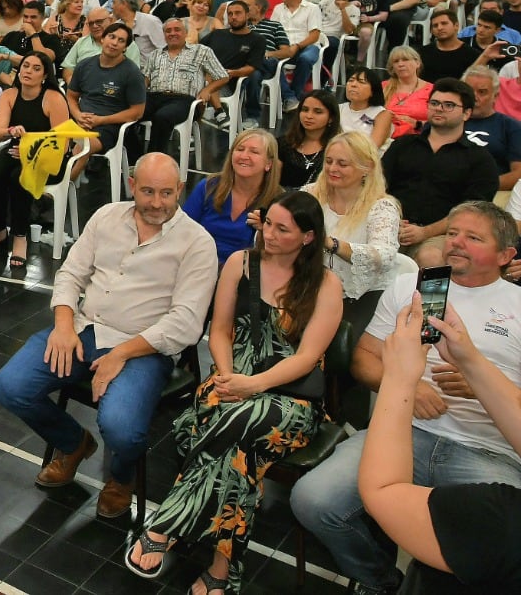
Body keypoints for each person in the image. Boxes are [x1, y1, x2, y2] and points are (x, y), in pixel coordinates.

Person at [291, 200, 521, 595]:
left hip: (487, 452)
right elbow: (364, 360)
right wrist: (408, 387)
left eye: (473, 237)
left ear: (506, 255)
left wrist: (487, 385)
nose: (456, 243)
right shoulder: (419, 285)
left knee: (490, 553)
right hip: (402, 433)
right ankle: (381, 580)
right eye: (451, 233)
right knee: (312, 501)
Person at [125, 191, 343, 595]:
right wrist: (227, 376)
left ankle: (165, 524)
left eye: (282, 229)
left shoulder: (326, 285)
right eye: (268, 224)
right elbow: (220, 330)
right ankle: (222, 570)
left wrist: (254, 385)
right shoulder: (240, 264)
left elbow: (309, 357)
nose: (269, 235)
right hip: (230, 380)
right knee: (239, 453)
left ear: (308, 238)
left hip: (289, 396)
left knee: (226, 425)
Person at [0, 153, 218, 519]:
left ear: (180, 190)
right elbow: (70, 274)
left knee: (122, 429)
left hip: (143, 348)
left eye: (166, 193)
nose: (157, 203)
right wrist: (64, 326)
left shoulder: (198, 243)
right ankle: (72, 443)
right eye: (147, 192)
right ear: (132, 186)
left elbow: (186, 323)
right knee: (10, 386)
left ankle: (121, 477)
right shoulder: (106, 216)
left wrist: (121, 354)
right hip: (84, 330)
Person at [358, 286, 521, 593]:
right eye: (453, 233)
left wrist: (399, 378)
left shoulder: (499, 522)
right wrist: (469, 360)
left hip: (483, 448)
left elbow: (383, 491)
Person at [381, 78, 502, 269]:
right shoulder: (402, 146)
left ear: (466, 113)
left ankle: (431, 301)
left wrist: (424, 232)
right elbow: (378, 188)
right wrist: (390, 221)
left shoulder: (480, 160)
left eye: (449, 105)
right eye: (435, 103)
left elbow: (471, 212)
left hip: (440, 235)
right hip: (388, 226)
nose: (439, 108)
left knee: (432, 259)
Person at [302, 131, 402, 335]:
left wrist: (333, 244)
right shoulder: (310, 194)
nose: (332, 168)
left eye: (342, 164)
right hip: (309, 290)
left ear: (367, 168)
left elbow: (384, 255)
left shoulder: (382, 207)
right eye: (329, 161)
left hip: (362, 298)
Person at [0, 53, 70, 272]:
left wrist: (33, 151)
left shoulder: (54, 98)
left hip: (47, 156)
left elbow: (63, 141)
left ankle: (20, 235)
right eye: (25, 66)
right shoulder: (10, 94)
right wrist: (11, 130)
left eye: (35, 68)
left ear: (45, 75)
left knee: (18, 178)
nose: (28, 71)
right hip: (16, 150)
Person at [181, 128, 282, 265]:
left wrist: (265, 231)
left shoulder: (278, 201)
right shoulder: (209, 187)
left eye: (254, 152)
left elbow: (280, 253)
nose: (244, 156)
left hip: (243, 273)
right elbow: (183, 229)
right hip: (198, 263)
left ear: (268, 164)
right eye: (240, 149)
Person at [66, 22, 147, 180]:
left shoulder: (132, 73)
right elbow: (71, 96)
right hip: (80, 119)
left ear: (125, 48)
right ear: (102, 39)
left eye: (121, 40)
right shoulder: (85, 65)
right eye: (112, 37)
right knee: (51, 140)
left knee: (84, 145)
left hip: (109, 127)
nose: (115, 42)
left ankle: (63, 186)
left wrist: (101, 120)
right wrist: (77, 115)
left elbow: (137, 112)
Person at [140, 17, 228, 155]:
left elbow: (223, 76)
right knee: (127, 112)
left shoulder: (201, 51)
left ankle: (152, 159)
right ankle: (131, 160)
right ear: (164, 35)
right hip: (154, 97)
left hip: (184, 100)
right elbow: (145, 79)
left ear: (185, 33)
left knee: (162, 116)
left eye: (177, 30)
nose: (172, 33)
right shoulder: (155, 54)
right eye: (168, 31)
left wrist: (207, 90)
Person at [456, 63, 521, 191]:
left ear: (495, 96)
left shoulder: (511, 127)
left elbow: (519, 173)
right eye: (469, 91)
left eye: (482, 92)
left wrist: (481, 186)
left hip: (492, 195)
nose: (474, 97)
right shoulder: (446, 121)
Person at [277, 90, 341, 189]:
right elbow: (273, 183)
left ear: (331, 118)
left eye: (318, 112)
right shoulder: (283, 143)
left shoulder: (338, 149)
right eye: (305, 110)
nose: (309, 116)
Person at [383, 45, 431, 139]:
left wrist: (417, 124)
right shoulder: (382, 87)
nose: (400, 64)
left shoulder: (432, 90)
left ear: (417, 63)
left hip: (419, 139)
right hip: (385, 137)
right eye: (396, 61)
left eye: (405, 60)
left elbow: (440, 120)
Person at [339, 67, 393, 148]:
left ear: (373, 91)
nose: (353, 85)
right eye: (350, 80)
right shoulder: (338, 109)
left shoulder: (382, 114)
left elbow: (373, 146)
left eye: (361, 82)